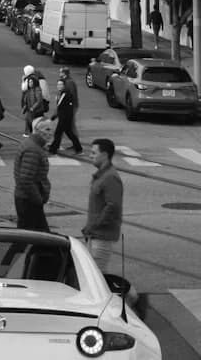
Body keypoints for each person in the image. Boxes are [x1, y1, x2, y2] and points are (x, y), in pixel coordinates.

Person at [83, 138, 123, 271]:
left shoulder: (110, 177)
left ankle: (129, 293)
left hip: (101, 236)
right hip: (95, 234)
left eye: (94, 153)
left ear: (105, 155)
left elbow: (112, 206)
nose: (90, 156)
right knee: (94, 275)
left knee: (96, 276)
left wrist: (94, 226)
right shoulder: (102, 175)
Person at [13, 117, 56, 231]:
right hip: (29, 200)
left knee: (33, 237)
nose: (51, 133)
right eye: (47, 129)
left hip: (28, 198)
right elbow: (26, 179)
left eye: (51, 129)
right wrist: (38, 199)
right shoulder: (33, 149)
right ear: (37, 130)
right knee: (34, 238)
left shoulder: (34, 145)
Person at [50, 79, 83, 155]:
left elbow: (60, 106)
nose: (59, 86)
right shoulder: (63, 93)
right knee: (69, 133)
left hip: (64, 118)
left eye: (61, 84)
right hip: (65, 117)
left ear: (64, 86)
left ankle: (53, 149)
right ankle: (78, 148)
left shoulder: (65, 94)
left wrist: (54, 116)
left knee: (58, 133)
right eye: (58, 84)